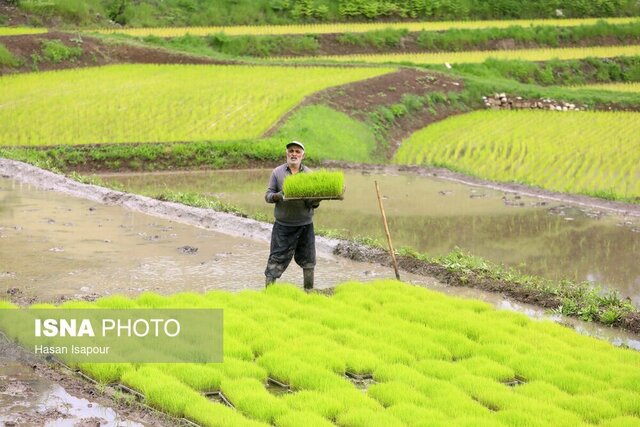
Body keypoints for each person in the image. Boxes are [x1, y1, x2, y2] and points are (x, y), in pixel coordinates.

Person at [264, 141, 320, 290]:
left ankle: (308, 291)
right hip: (283, 226)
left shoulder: (309, 174)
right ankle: (269, 292)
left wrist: (316, 201)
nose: (294, 154)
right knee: (276, 259)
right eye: (291, 151)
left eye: (297, 151)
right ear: (286, 153)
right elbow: (268, 196)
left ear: (302, 155)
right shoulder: (277, 172)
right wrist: (277, 196)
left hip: (305, 226)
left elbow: (312, 203)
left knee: (308, 260)